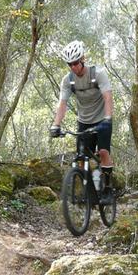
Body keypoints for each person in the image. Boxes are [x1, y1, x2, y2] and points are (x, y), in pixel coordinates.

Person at [49, 40, 114, 204]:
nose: (73, 67)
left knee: (104, 152)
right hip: (84, 121)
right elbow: (62, 104)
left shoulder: (97, 73)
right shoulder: (68, 80)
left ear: (82, 60)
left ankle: (107, 189)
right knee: (80, 160)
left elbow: (108, 98)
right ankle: (89, 192)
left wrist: (107, 119)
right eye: (70, 64)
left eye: (76, 63)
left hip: (102, 120)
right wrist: (55, 125)